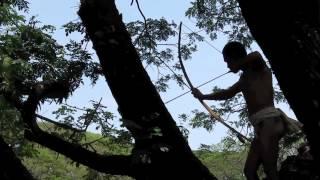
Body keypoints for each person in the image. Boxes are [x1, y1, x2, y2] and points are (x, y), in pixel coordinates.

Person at [192, 41, 293, 180]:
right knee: (249, 171)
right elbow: (227, 93)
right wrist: (203, 96)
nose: (227, 65)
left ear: (235, 57)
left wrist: (236, 65)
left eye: (228, 61)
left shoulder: (259, 68)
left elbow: (256, 55)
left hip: (269, 122)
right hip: (260, 126)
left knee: (270, 169)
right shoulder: (245, 77)